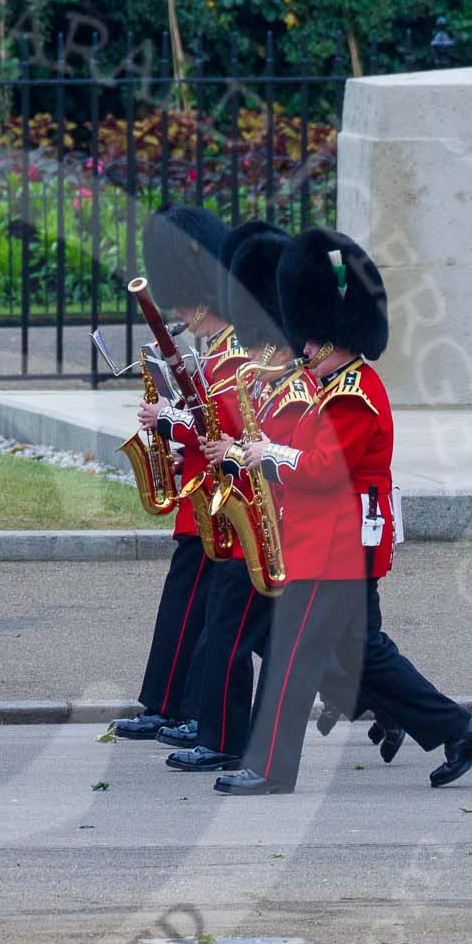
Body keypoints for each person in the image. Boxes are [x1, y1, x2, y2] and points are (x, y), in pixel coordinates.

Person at [217, 229, 472, 796]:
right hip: (330, 538)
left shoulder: (352, 394)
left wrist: (268, 455)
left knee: (293, 653)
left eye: (310, 341)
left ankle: (270, 767)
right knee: (363, 654)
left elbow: (322, 470)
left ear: (331, 337)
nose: (303, 351)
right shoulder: (335, 385)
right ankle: (459, 728)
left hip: (336, 542)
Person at [168, 229, 312, 772]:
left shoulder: (289, 379)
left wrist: (239, 450)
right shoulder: (263, 369)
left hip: (273, 523)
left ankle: (227, 741)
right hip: (250, 516)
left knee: (228, 634)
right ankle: (231, 738)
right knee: (243, 636)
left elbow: (299, 455)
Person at [109, 206, 232, 744]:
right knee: (190, 605)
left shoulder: (233, 349)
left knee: (220, 617)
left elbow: (219, 420)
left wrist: (171, 421)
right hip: (201, 488)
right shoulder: (212, 345)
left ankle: (188, 709)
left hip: (219, 493)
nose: (181, 310)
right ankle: (169, 703)